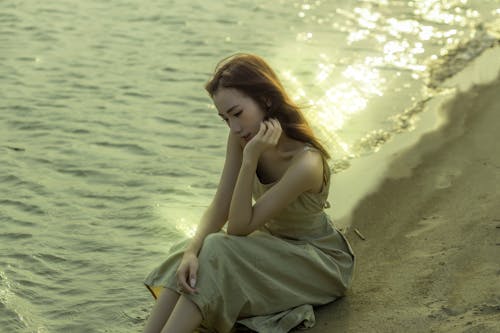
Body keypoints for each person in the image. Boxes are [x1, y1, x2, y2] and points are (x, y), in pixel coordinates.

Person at [143, 53, 355, 333]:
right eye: (224, 118)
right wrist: (191, 252)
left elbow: (239, 227)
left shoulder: (306, 163)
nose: (234, 127)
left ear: (266, 99)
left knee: (217, 247)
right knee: (193, 248)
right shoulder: (241, 137)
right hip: (270, 248)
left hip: (318, 262)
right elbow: (221, 207)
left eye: (237, 113)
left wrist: (250, 159)